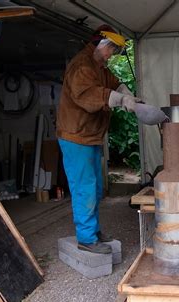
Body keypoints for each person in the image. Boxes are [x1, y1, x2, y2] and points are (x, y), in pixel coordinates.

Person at [56, 25, 138, 254]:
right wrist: (120, 100)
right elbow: (89, 96)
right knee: (85, 188)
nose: (112, 55)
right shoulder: (82, 66)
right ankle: (86, 238)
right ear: (102, 45)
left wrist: (127, 94)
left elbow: (112, 83)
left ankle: (93, 230)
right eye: (112, 50)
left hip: (89, 137)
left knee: (95, 187)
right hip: (76, 136)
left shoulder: (98, 65)